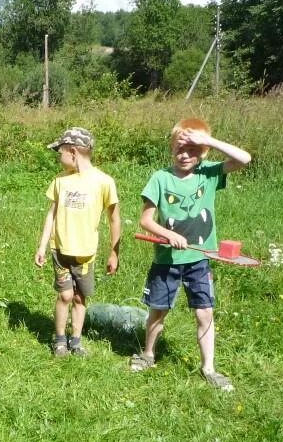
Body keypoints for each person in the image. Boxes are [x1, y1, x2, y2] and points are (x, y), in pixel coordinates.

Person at [130, 118, 252, 391]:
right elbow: (146, 220)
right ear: (172, 148)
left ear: (203, 152)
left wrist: (208, 141)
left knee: (204, 313)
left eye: (193, 149)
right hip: (166, 261)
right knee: (158, 311)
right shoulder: (160, 178)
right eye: (180, 148)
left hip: (199, 259)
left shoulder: (209, 173)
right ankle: (148, 354)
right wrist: (167, 234)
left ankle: (209, 367)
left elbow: (245, 159)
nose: (185, 155)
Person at [34, 128, 121, 357]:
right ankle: (60, 339)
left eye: (59, 151)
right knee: (65, 295)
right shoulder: (60, 181)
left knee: (80, 298)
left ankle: (76, 340)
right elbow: (51, 215)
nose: (58, 157)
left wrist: (114, 252)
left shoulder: (104, 182)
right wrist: (42, 246)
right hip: (59, 249)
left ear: (72, 152)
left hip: (86, 253)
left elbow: (114, 218)